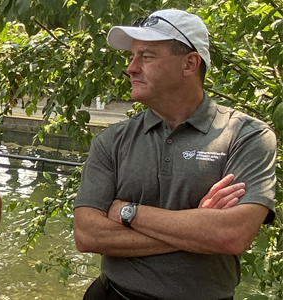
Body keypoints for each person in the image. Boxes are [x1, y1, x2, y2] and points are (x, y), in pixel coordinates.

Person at [73, 9, 277, 300]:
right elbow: (87, 235)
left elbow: (232, 234)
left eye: (146, 56)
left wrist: (126, 212)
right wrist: (198, 226)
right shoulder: (111, 141)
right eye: (131, 57)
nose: (131, 68)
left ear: (189, 63)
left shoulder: (247, 136)